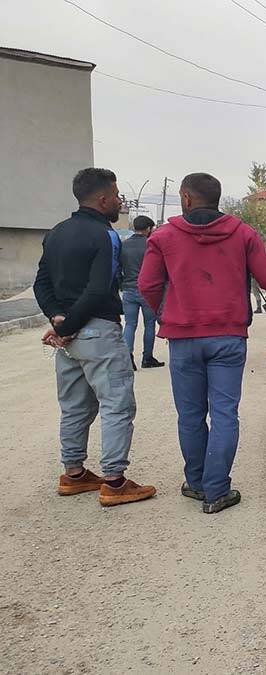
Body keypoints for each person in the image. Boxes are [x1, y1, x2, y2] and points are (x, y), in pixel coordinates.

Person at [138, 173, 266, 514]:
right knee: (224, 413)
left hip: (183, 339)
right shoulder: (243, 234)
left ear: (187, 198)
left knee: (190, 415)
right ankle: (217, 491)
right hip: (228, 338)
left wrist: (165, 314)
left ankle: (195, 483)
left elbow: (147, 284)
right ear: (216, 198)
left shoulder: (164, 236)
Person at [33, 168, 157, 506]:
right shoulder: (107, 236)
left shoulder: (56, 233)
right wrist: (68, 324)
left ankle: (73, 473)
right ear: (103, 199)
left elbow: (41, 283)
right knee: (117, 403)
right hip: (96, 330)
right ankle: (115, 482)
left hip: (68, 339)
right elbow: (99, 287)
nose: (119, 201)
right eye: (116, 195)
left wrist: (58, 321)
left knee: (73, 406)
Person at [120, 215, 163, 369]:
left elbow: (118, 268)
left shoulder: (123, 245)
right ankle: (147, 358)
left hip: (128, 289)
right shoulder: (150, 245)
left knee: (130, 324)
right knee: (149, 324)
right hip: (147, 291)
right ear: (148, 229)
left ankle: (127, 357)